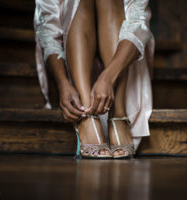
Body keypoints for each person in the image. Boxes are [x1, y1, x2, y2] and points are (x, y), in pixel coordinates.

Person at [34, 0, 154, 159]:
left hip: (122, 67)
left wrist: (107, 77)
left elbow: (139, 22)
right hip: (71, 64)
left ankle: (117, 112)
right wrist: (62, 82)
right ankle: (85, 112)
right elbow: (49, 31)